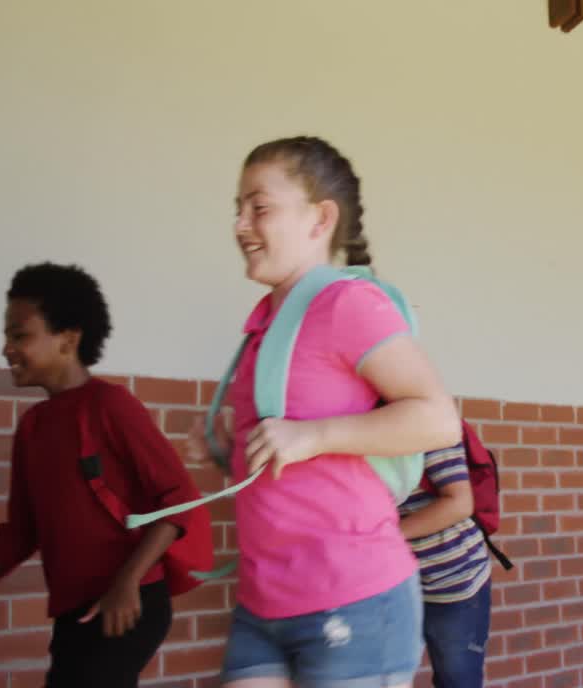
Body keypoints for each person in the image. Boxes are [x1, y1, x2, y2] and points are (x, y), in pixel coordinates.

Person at [191, 136, 462, 687]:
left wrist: (312, 436)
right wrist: (229, 453)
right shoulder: (264, 324)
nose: (240, 224)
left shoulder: (346, 304)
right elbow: (292, 468)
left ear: (320, 219)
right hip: (262, 604)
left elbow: (437, 418)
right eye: (237, 209)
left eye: (259, 208)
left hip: (354, 602)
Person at [0, 262, 204, 687]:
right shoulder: (32, 428)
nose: (6, 348)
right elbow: (21, 533)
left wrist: (126, 582)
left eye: (19, 335)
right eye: (7, 336)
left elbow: (178, 501)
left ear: (68, 339)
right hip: (75, 610)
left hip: (129, 602)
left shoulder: (110, 407)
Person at [399, 442, 494, 688]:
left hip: (452, 577)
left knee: (457, 681)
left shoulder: (427, 417)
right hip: (392, 579)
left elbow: (459, 504)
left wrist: (380, 536)